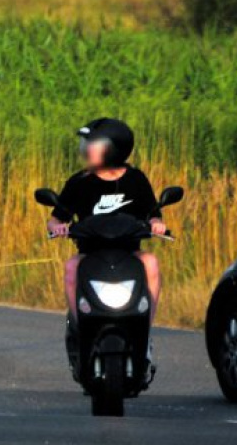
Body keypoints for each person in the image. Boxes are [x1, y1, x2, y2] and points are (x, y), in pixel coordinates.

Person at [47, 118, 167, 324]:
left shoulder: (135, 179)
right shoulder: (79, 182)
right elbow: (55, 218)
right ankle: (80, 324)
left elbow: (153, 213)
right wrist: (57, 227)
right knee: (71, 267)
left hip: (129, 253)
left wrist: (157, 223)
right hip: (90, 254)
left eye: (92, 145)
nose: (86, 150)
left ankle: (145, 326)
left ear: (112, 149)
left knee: (151, 263)